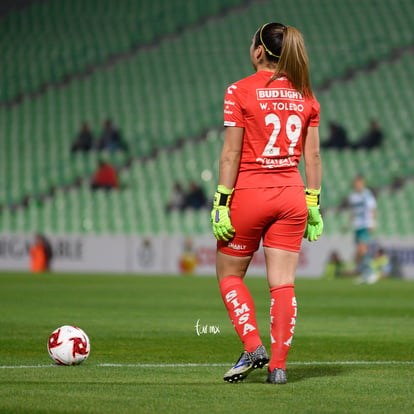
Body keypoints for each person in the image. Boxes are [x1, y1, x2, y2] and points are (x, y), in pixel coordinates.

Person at [210, 22, 323, 385]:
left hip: (250, 193)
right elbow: (314, 156)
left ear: (259, 51)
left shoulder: (239, 91)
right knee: (283, 284)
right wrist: (314, 203)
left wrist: (220, 203)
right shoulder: (305, 94)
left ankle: (253, 345)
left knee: (229, 275)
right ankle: (278, 368)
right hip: (291, 196)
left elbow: (230, 154)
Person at [347, 174, 377, 283]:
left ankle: (370, 273)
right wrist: (348, 224)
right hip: (357, 225)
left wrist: (372, 223)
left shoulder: (367, 195)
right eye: (355, 183)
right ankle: (366, 273)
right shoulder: (353, 196)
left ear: (362, 183)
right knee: (360, 251)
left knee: (362, 249)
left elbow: (372, 210)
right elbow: (353, 212)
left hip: (365, 225)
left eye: (358, 183)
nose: (357, 185)